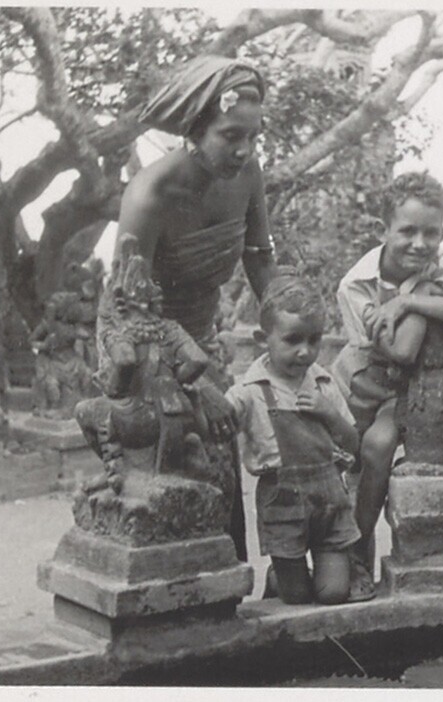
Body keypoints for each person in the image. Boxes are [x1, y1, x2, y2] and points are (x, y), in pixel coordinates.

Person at [118, 55, 278, 560]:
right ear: (195, 128)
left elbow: (259, 256)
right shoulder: (150, 194)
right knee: (181, 466)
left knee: (222, 468)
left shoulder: (247, 174)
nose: (243, 150)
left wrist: (286, 327)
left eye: (252, 137)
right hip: (146, 354)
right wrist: (192, 383)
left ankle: (224, 583)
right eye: (230, 136)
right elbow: (126, 310)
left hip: (203, 349)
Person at [332, 172, 443, 599]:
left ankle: (358, 557)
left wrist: (410, 299)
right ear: (382, 230)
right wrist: (431, 297)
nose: (420, 244)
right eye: (407, 231)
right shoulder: (356, 284)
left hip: (410, 385)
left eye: (430, 233)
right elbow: (394, 351)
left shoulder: (442, 264)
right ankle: (349, 556)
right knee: (352, 465)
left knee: (379, 446)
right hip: (365, 379)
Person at [226, 272, 361, 605]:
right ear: (263, 339)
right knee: (296, 597)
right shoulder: (249, 391)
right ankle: (281, 575)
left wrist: (329, 413)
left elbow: (353, 443)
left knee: (333, 593)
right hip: (283, 504)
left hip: (328, 501)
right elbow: (222, 419)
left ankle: (338, 570)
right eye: (292, 340)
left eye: (314, 340)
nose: (305, 352)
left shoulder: (324, 383)